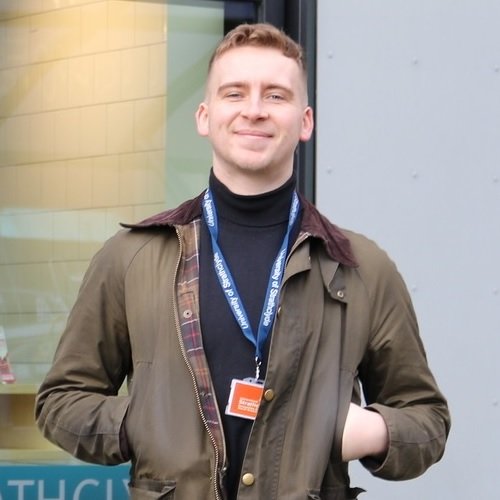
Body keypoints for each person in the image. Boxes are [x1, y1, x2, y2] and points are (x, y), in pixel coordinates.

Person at [35, 23, 450, 500]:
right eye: (235, 93)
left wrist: (364, 430)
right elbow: (61, 402)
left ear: (305, 122)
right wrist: (145, 421)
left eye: (276, 95)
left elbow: (427, 420)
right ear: (205, 116)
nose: (254, 110)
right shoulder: (131, 258)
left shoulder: (361, 268)